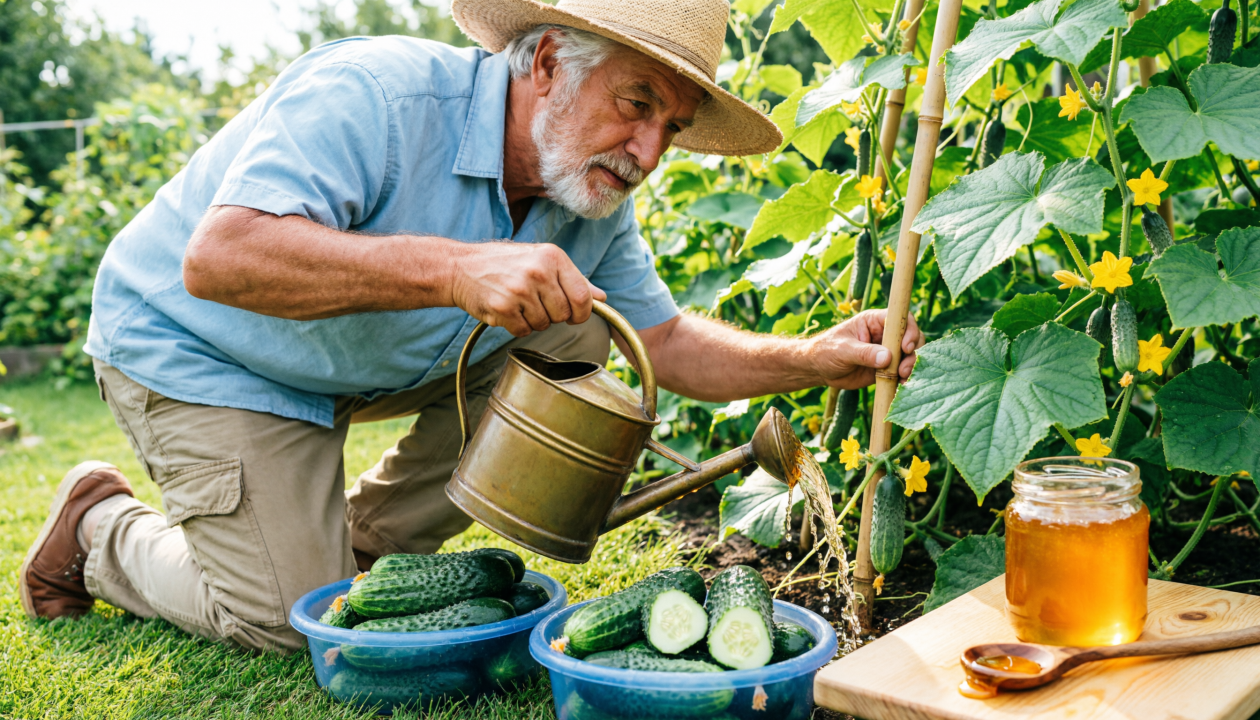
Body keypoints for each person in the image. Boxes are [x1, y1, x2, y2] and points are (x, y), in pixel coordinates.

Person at [20, 0, 922, 651]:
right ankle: (101, 531)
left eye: (672, 129)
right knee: (288, 622)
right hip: (202, 350)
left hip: (347, 364)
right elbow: (219, 258)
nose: (649, 154)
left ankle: (370, 547)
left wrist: (816, 357)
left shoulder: (590, 196)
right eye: (637, 104)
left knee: (580, 336)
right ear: (545, 63)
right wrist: (458, 269)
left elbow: (669, 343)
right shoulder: (374, 95)